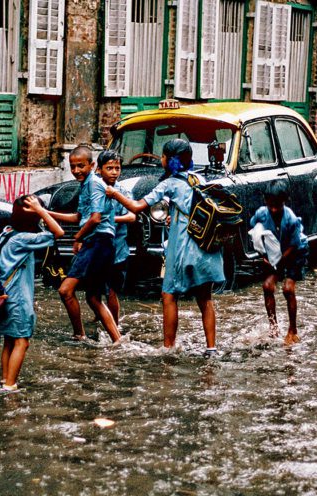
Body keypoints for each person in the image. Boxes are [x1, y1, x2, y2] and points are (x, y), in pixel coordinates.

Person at [106, 139, 223, 356]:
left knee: (169, 296)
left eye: (162, 156)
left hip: (183, 250)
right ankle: (211, 347)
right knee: (205, 298)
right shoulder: (198, 178)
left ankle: (168, 348)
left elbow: (136, 206)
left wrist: (115, 194)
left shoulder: (168, 184)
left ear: (169, 160)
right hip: (206, 248)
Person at [48, 145, 121, 343]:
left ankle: (79, 335)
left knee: (65, 290)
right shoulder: (85, 185)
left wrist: (78, 238)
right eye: (73, 166)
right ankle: (117, 340)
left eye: (81, 166)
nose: (76, 170)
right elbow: (79, 217)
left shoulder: (95, 184)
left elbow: (95, 218)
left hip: (98, 241)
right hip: (100, 242)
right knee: (93, 298)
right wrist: (46, 213)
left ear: (92, 165)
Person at [0, 194, 64, 392]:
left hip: (4, 296)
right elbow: (58, 232)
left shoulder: (7, 233)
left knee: (9, 340)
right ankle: (10, 387)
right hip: (17, 299)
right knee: (22, 342)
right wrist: (41, 210)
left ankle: (4, 381)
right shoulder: (23, 239)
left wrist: (38, 211)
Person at [249, 181, 309, 345]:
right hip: (274, 252)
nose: (274, 209)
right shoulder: (261, 214)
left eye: (278, 206)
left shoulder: (291, 219)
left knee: (288, 289)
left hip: (294, 252)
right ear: (266, 201)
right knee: (267, 287)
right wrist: (264, 256)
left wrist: (279, 263)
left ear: (285, 201)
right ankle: (273, 326)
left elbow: (294, 245)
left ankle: (293, 329)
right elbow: (255, 233)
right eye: (271, 205)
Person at [97, 149, 136, 326]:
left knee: (111, 291)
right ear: (99, 169)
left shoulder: (123, 191)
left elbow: (131, 216)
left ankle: (114, 324)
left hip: (117, 250)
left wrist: (108, 219)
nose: (114, 172)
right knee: (96, 290)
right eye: (109, 168)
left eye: (117, 168)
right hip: (97, 249)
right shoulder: (94, 189)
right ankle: (101, 318)